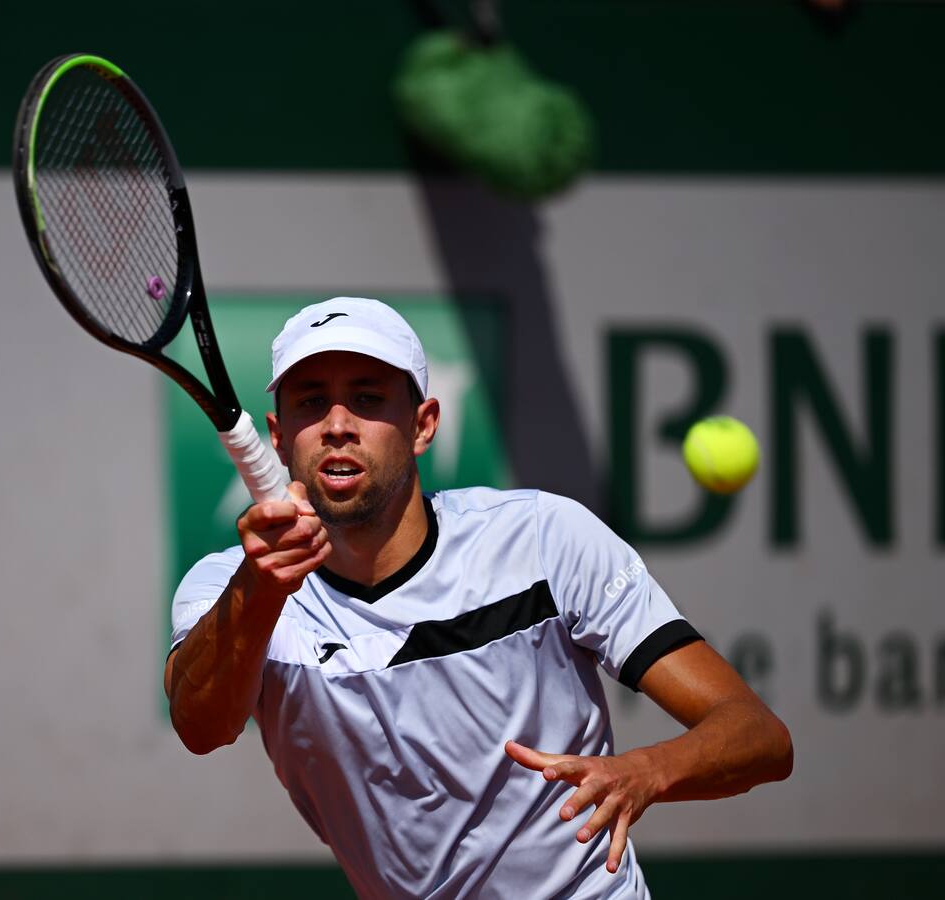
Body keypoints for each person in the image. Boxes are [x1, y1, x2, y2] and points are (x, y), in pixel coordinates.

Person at [165, 297, 793, 899]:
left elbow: (759, 736)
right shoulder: (227, 590)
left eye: (366, 398)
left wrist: (644, 772)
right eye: (312, 402)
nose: (336, 425)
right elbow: (201, 727)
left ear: (423, 425)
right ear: (279, 436)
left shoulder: (545, 540)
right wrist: (261, 588)